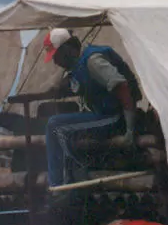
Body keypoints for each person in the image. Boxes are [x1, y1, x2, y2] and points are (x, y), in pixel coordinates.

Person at [43, 28, 141, 188]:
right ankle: (77, 170)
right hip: (102, 114)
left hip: (113, 117)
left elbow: (122, 87)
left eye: (56, 56)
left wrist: (130, 130)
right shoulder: (78, 65)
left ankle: (59, 186)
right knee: (60, 127)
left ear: (67, 50)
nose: (55, 62)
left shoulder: (93, 61)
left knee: (55, 126)